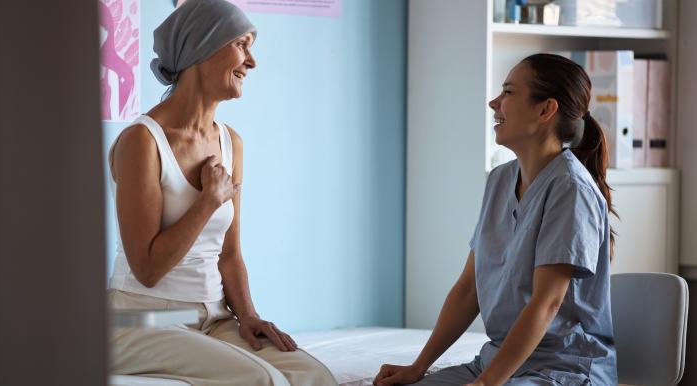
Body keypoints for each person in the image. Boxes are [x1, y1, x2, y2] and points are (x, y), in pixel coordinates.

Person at [106, 1, 337, 385]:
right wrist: (208, 200)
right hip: (140, 319)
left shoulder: (231, 143)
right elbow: (146, 270)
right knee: (263, 381)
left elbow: (229, 255)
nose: (252, 62)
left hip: (213, 317)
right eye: (242, 45)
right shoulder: (142, 142)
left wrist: (247, 315)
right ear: (202, 47)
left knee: (314, 376)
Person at [374, 53, 618, 386]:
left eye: (508, 92)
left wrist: (488, 383)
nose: (494, 103)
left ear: (545, 110)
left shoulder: (571, 189)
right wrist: (418, 367)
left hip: (562, 369)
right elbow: (467, 289)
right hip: (497, 362)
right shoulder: (500, 179)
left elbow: (546, 304)